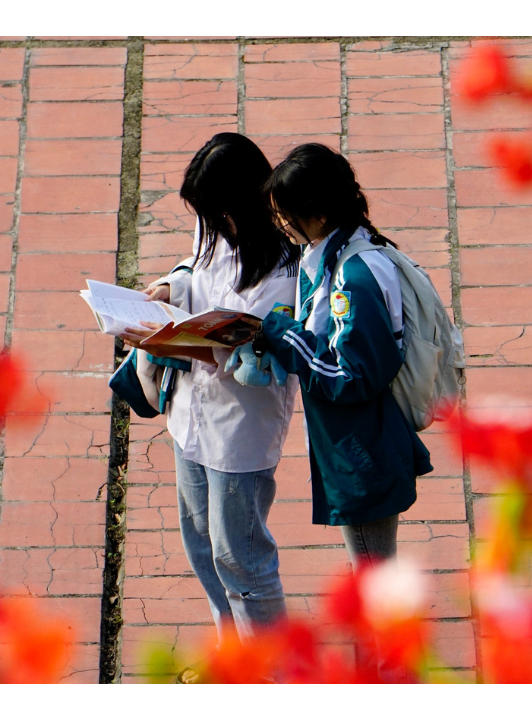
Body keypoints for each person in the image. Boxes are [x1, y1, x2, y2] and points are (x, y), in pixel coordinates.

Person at [119, 133, 300, 644]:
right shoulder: (218, 230)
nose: (208, 227)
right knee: (202, 543)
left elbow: (246, 359)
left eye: (214, 214)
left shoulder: (281, 275)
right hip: (191, 420)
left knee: (240, 557)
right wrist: (168, 290)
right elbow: (194, 266)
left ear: (240, 203)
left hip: (239, 434)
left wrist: (169, 343)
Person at [248, 142, 433, 587]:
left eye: (285, 214)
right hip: (360, 440)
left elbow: (350, 374)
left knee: (373, 572)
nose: (281, 224)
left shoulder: (354, 278)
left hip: (362, 445)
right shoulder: (349, 249)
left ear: (318, 214)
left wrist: (282, 333)